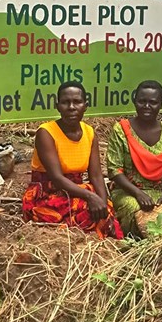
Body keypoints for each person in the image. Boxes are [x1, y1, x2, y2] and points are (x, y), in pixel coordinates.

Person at [22, 82, 123, 238]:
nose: (71, 107)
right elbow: (57, 178)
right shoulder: (46, 133)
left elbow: (96, 175)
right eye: (65, 102)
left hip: (77, 191)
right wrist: (90, 197)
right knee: (83, 216)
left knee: (105, 210)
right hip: (48, 194)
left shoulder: (89, 133)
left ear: (85, 105)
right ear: (57, 106)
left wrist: (102, 202)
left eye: (77, 102)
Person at [106, 80, 162, 236]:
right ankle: (132, 246)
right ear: (134, 100)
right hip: (127, 191)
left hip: (160, 192)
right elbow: (114, 170)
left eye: (153, 102)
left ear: (161, 103)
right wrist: (138, 194)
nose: (147, 106)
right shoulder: (121, 130)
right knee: (132, 207)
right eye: (142, 101)